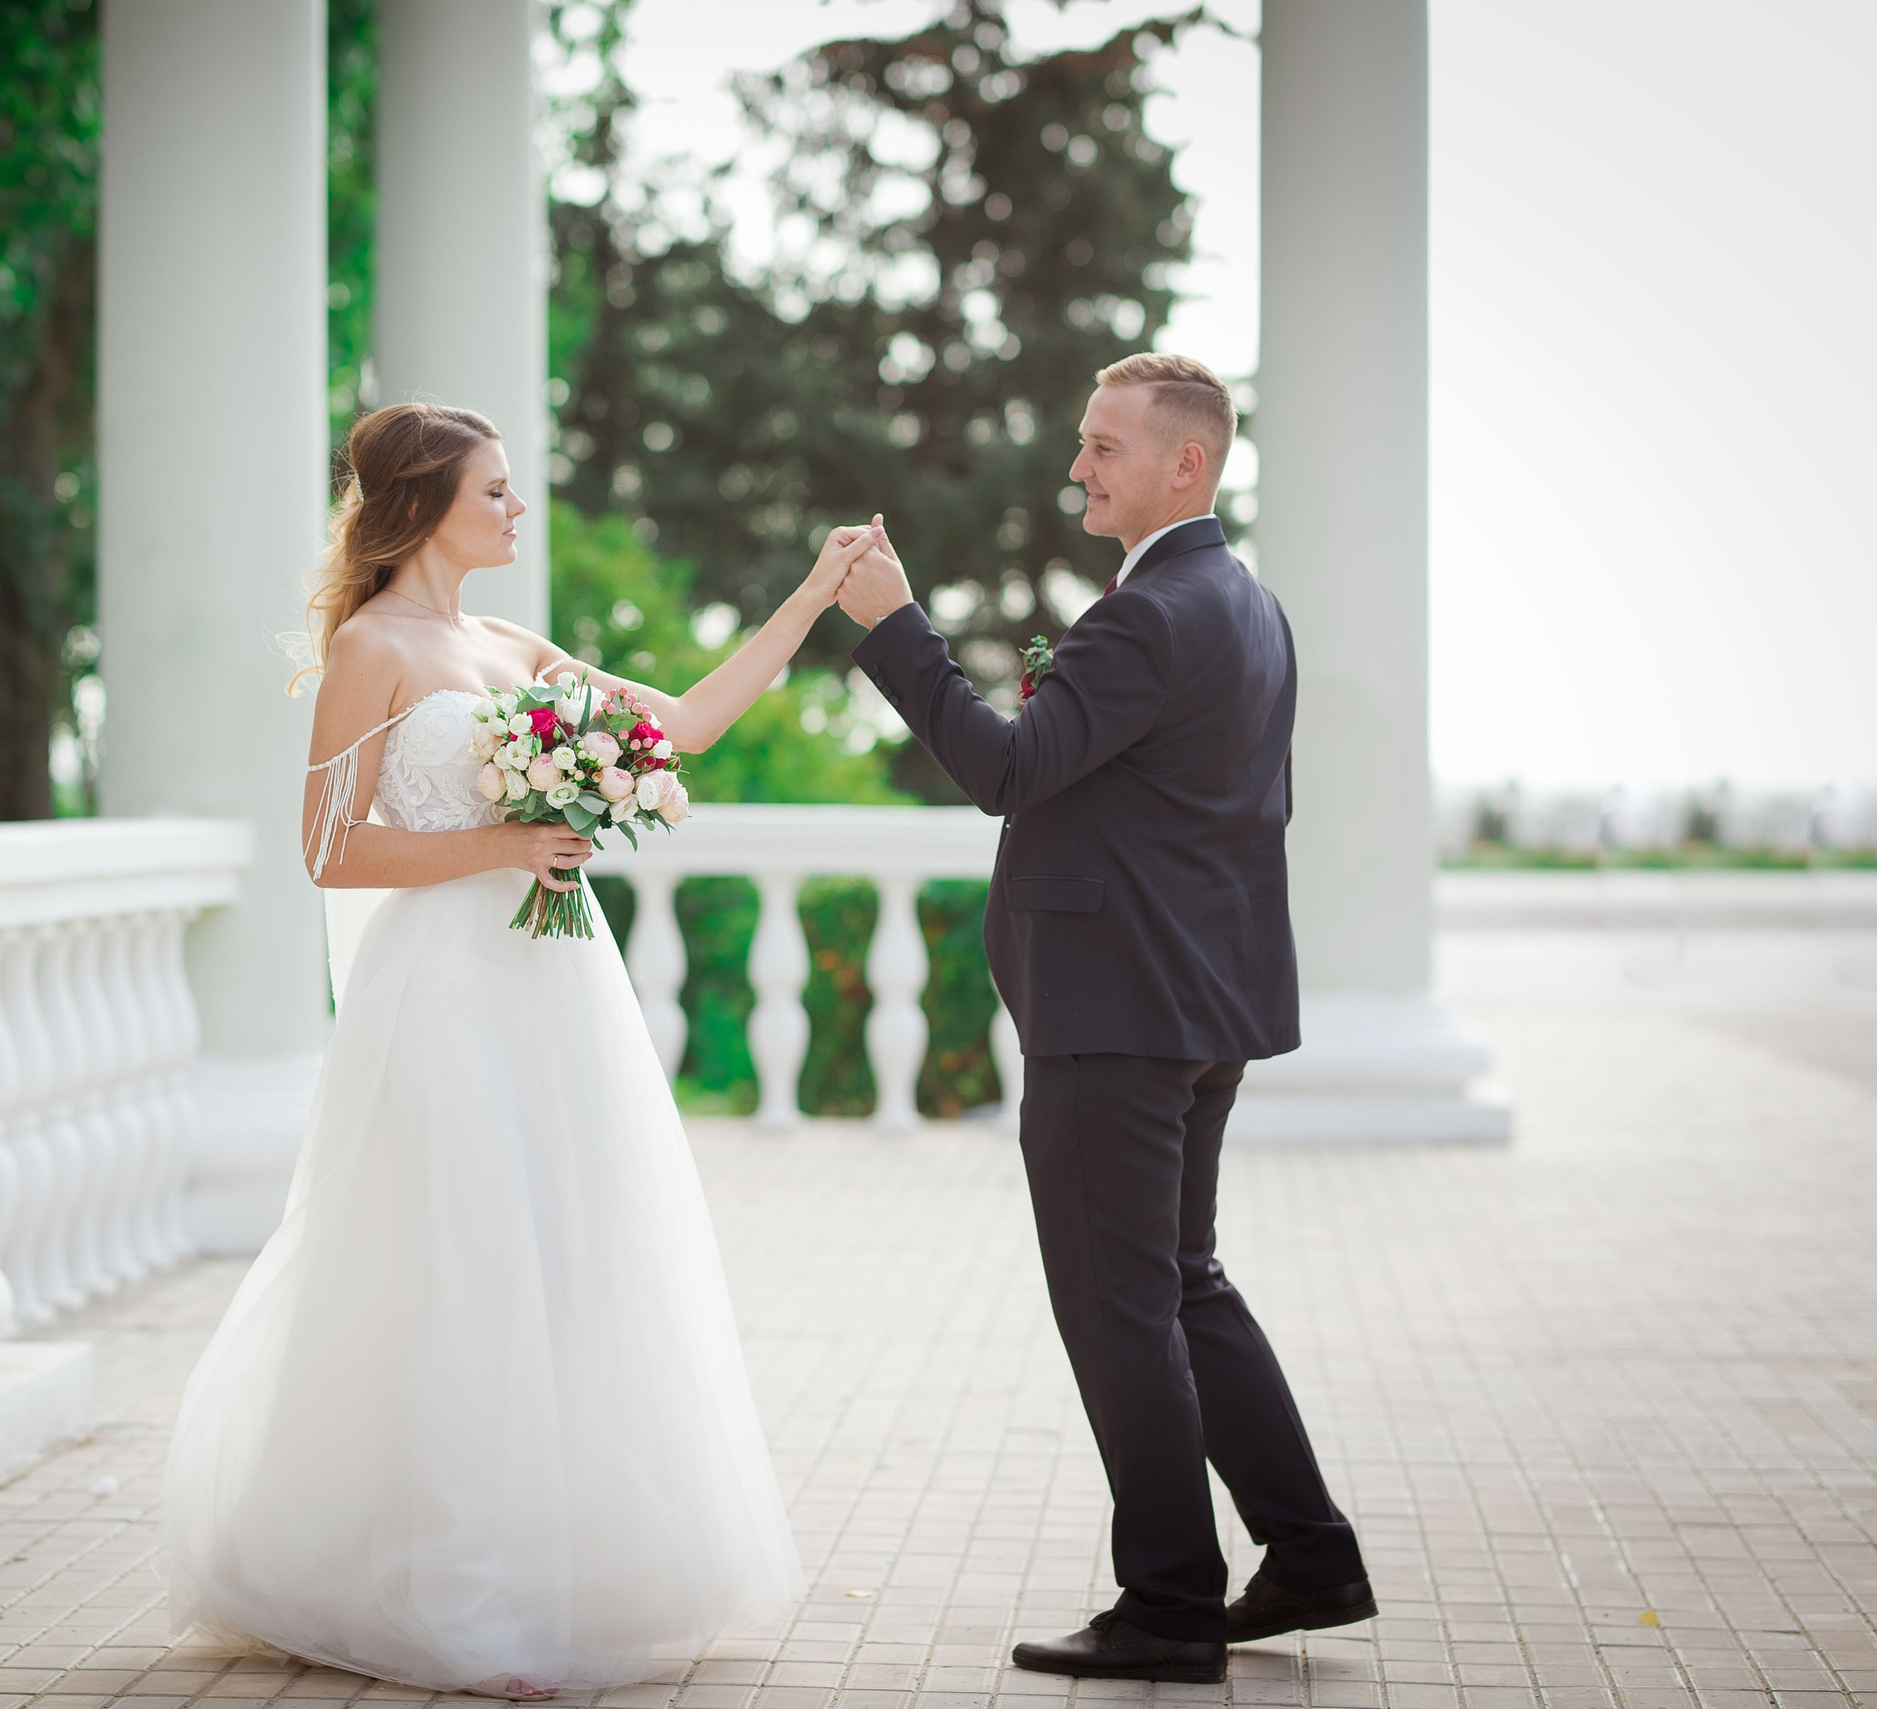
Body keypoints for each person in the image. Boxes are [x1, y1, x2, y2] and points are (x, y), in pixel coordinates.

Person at [159, 401, 880, 1700]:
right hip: (442, 992)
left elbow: (686, 725)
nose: (516, 507)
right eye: (493, 488)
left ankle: (544, 1569)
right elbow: (327, 848)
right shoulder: (372, 647)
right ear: (422, 503)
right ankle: (457, 1604)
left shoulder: (509, 644)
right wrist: (503, 843)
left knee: (564, 1252)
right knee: (461, 1260)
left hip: (556, 987)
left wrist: (814, 596)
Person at [832, 353, 1375, 1686]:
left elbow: (1007, 768)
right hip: (1200, 1002)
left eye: (1103, 447)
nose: (1077, 466)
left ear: (1186, 464)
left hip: (1119, 1012)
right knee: (1181, 1284)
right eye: (1083, 442)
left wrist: (897, 627)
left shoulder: (1146, 617)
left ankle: (1171, 1603)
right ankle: (1311, 1557)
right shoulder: (1248, 605)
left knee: (1122, 1306)